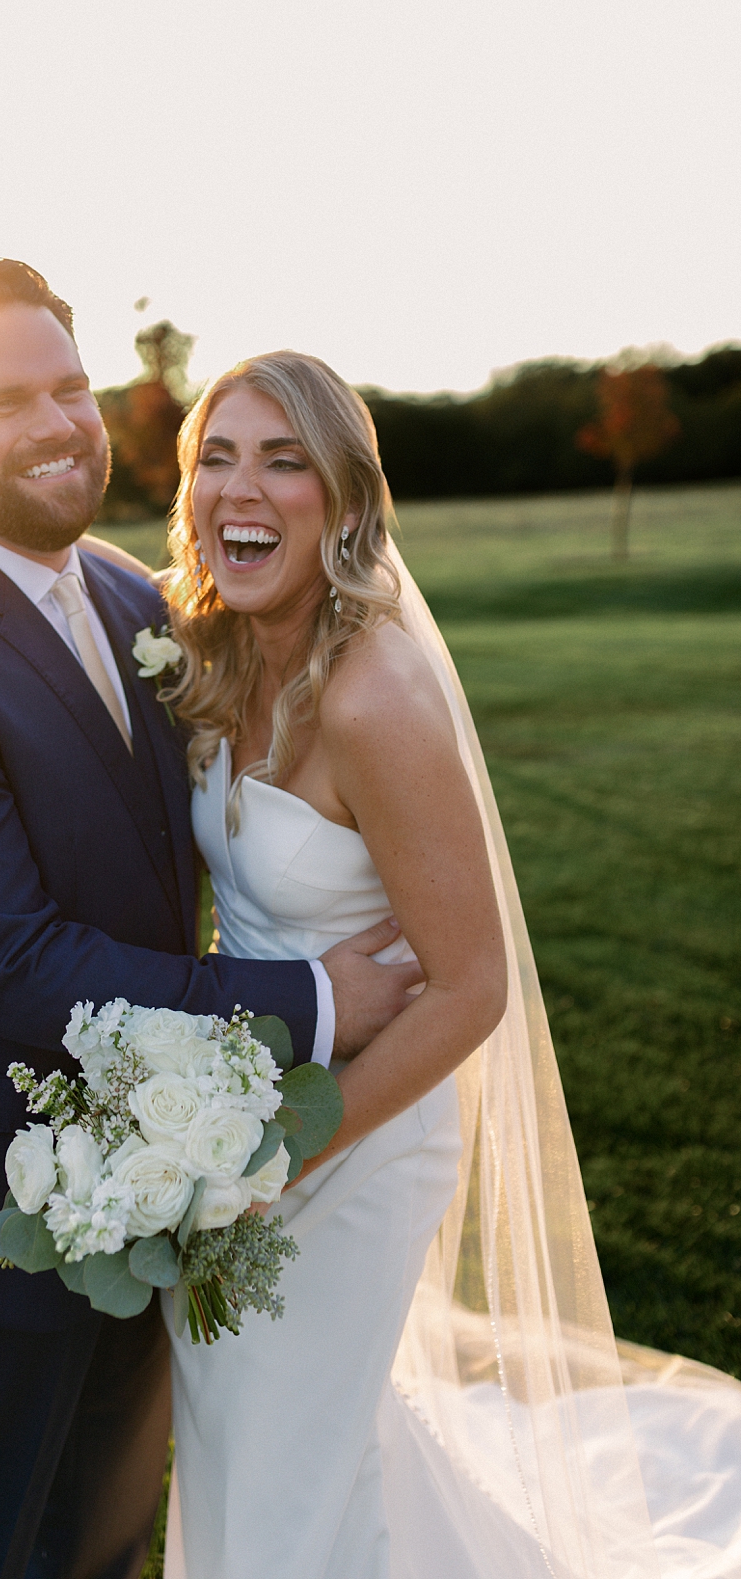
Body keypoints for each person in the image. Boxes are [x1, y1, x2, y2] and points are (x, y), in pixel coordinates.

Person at [0, 262, 423, 1579]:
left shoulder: (137, 598)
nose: (57, 422)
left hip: (165, 1184)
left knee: (99, 1546)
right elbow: (17, 965)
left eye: (69, 385)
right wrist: (316, 1003)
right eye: (4, 400)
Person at [148, 351, 741, 1578]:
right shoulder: (219, 647)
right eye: (216, 455)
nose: (239, 488)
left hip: (362, 1130)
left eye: (282, 459)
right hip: (232, 1120)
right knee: (250, 1432)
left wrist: (275, 1154)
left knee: (284, 1460)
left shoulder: (376, 698)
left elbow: (473, 988)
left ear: (348, 500)